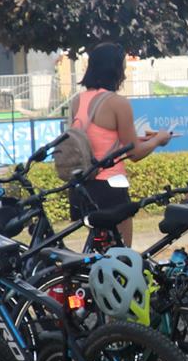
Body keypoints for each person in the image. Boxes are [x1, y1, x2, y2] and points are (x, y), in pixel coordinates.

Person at [65, 43, 175, 245]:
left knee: (97, 249)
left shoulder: (77, 101)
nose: (124, 74)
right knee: (121, 252)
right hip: (111, 185)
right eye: (123, 68)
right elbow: (134, 153)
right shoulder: (117, 103)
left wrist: (141, 139)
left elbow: (97, 140)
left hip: (83, 187)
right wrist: (158, 139)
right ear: (115, 70)